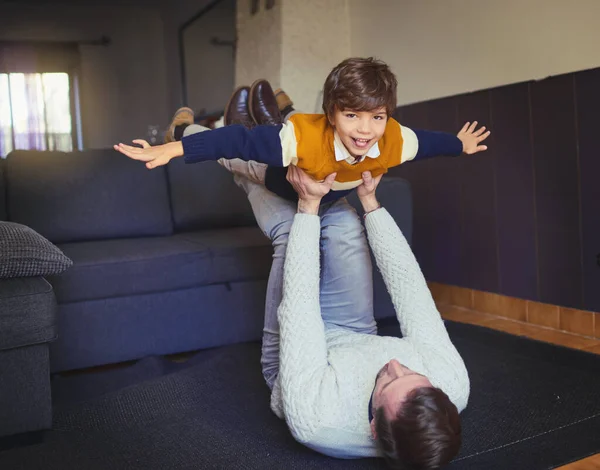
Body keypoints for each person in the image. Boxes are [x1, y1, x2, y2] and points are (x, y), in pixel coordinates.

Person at [267, 165, 468, 467]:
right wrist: (371, 202)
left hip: (293, 358)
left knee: (288, 226)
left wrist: (307, 208)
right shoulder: (451, 383)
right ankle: (284, 135)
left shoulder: (318, 419)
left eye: (388, 383)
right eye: (413, 373)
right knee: (345, 221)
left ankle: (200, 138)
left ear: (373, 427)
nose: (395, 365)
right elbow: (411, 292)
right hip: (354, 331)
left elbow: (299, 310)